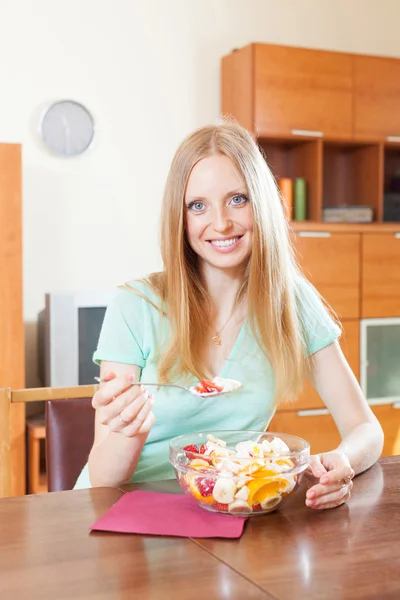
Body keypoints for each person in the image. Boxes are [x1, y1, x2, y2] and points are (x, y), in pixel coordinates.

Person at [74, 120, 383, 510]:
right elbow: (103, 481)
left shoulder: (292, 302)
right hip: (129, 511)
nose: (220, 223)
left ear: (261, 202)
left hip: (226, 509)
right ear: (180, 217)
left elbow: (365, 428)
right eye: (198, 205)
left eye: (238, 199)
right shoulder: (136, 306)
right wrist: (128, 432)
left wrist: (343, 462)